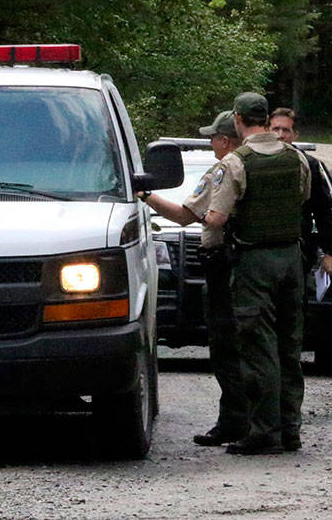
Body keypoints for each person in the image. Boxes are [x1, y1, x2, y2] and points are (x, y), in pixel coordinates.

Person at [205, 92, 310, 455]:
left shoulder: (236, 162)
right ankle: (290, 428)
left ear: (237, 119)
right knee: (289, 345)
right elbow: (302, 198)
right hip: (291, 258)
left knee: (258, 347)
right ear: (266, 118)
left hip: (254, 261)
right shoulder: (297, 158)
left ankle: (264, 431)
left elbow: (216, 217)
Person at [140, 110, 247, 446]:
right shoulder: (262, 165)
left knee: (226, 347)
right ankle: (264, 423)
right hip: (256, 268)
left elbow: (185, 216)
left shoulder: (224, 169)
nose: (211, 142)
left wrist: (145, 195)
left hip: (224, 266)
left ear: (225, 140)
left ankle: (234, 422)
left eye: (213, 137)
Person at [268, 108, 332, 276]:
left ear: (295, 135)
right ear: (266, 131)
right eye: (275, 129)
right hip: (259, 249)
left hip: (296, 249)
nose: (280, 135)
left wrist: (329, 251)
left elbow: (322, 210)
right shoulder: (251, 161)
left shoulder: (307, 165)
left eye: (286, 130)